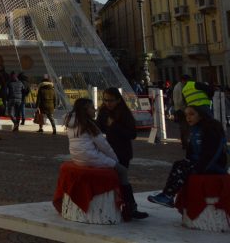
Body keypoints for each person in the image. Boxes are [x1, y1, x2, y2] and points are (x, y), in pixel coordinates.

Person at [65, 97, 139, 221]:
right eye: (92, 108)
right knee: (122, 171)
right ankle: (130, 207)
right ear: (86, 109)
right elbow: (104, 146)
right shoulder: (89, 125)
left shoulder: (71, 122)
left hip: (77, 157)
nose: (95, 110)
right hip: (90, 158)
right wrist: (116, 161)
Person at [148, 104, 228, 207]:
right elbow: (190, 152)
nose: (188, 117)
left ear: (201, 115)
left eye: (192, 114)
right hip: (199, 162)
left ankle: (168, 195)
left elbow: (212, 154)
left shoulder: (210, 130)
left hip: (214, 165)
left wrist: (199, 169)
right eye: (186, 115)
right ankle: (167, 195)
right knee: (179, 164)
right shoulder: (195, 129)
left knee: (184, 168)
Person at [97, 88, 148, 219]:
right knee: (110, 179)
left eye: (111, 100)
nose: (108, 103)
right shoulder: (103, 112)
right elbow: (99, 128)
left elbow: (132, 134)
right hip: (108, 150)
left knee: (122, 180)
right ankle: (112, 206)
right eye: (106, 100)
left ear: (118, 100)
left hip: (122, 151)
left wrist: (114, 126)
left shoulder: (124, 113)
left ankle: (130, 207)